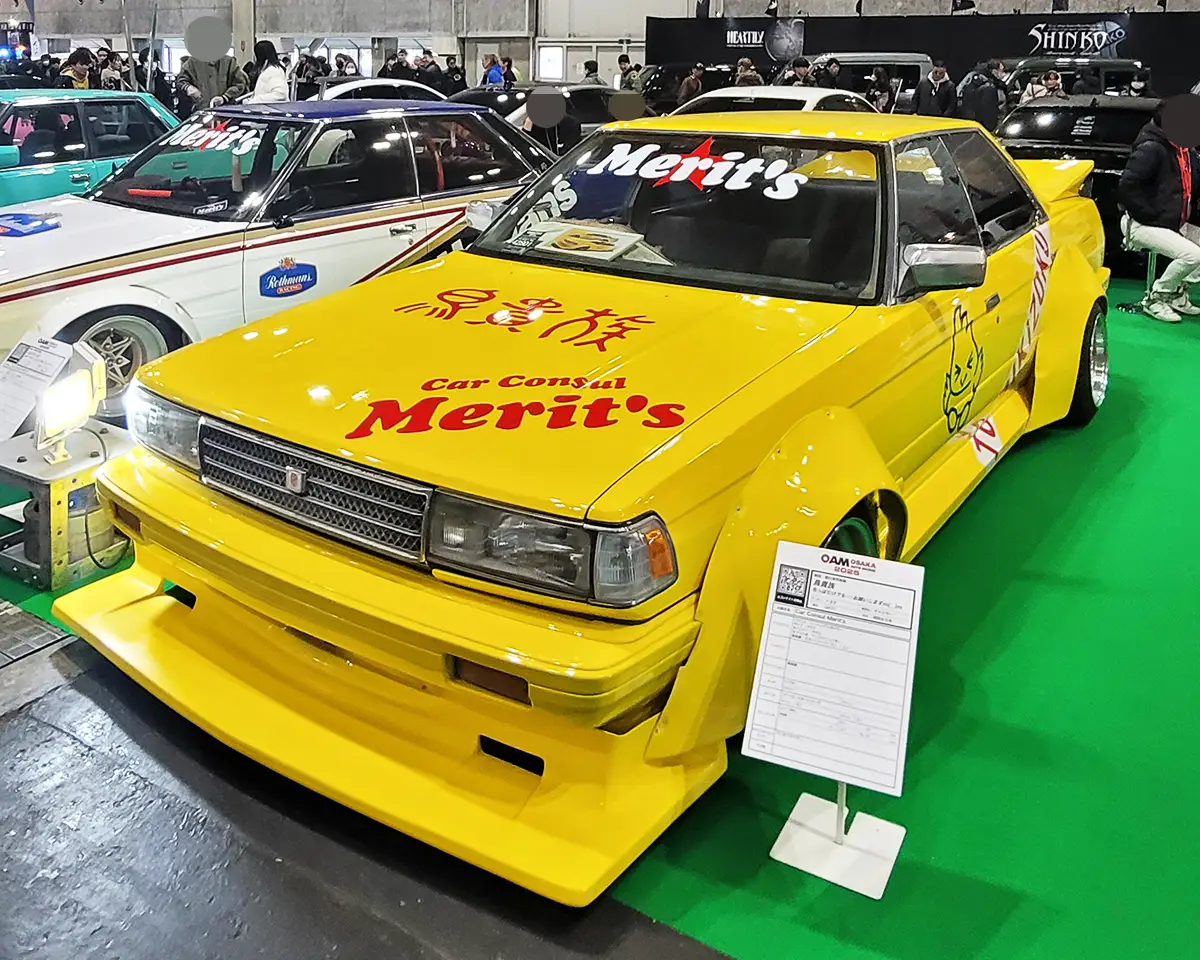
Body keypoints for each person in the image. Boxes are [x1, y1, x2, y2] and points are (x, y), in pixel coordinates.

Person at [1118, 101, 1200, 323]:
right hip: (1142, 223)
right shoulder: (1151, 148)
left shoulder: (1183, 149)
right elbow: (1127, 187)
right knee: (1192, 255)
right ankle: (1156, 297)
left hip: (1170, 219)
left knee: (1197, 250)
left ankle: (1176, 295)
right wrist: (1151, 216)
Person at [177, 48, 247, 116]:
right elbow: (181, 80)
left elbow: (240, 84)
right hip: (201, 111)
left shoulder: (229, 62)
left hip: (225, 111)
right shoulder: (192, 62)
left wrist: (225, 97)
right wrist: (188, 87)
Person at [958, 59, 1006, 131]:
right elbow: (989, 110)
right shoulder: (988, 86)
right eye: (1001, 70)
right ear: (994, 71)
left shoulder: (973, 79)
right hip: (985, 125)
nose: (1003, 73)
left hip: (972, 122)